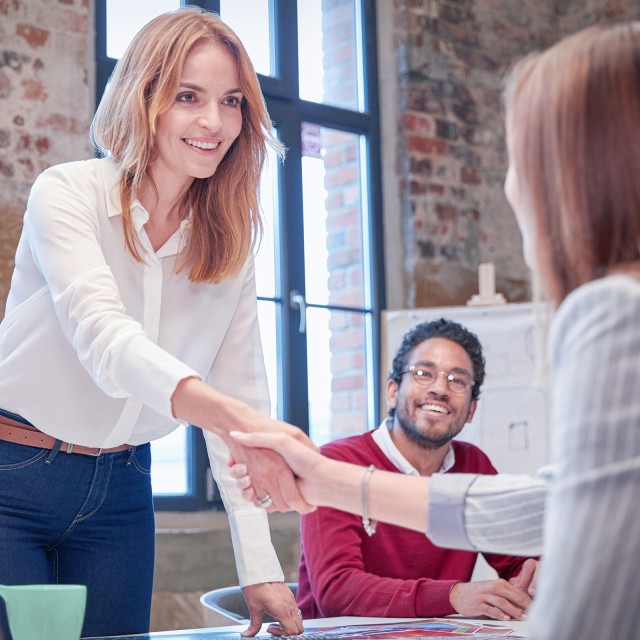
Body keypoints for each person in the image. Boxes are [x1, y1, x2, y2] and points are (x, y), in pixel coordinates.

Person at [231, 21, 640, 639]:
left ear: (578, 175)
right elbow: (561, 503)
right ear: (392, 388)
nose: (509, 184)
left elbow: (585, 590)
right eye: (425, 372)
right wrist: (325, 478)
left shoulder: (614, 310)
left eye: (521, 158)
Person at [0, 7, 310, 638]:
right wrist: (229, 414)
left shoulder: (230, 244)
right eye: (188, 97)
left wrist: (259, 565)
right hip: (15, 477)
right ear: (145, 101)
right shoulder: (68, 194)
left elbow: (241, 398)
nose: (214, 122)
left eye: (231, 102)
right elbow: (105, 339)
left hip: (122, 489)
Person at [297, 318, 538, 621]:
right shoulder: (335, 464)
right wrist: (453, 596)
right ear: (393, 391)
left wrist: (534, 574)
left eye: (458, 380)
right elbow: (337, 592)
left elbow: (519, 558)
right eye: (424, 373)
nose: (440, 388)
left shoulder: (474, 466)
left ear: (472, 410)